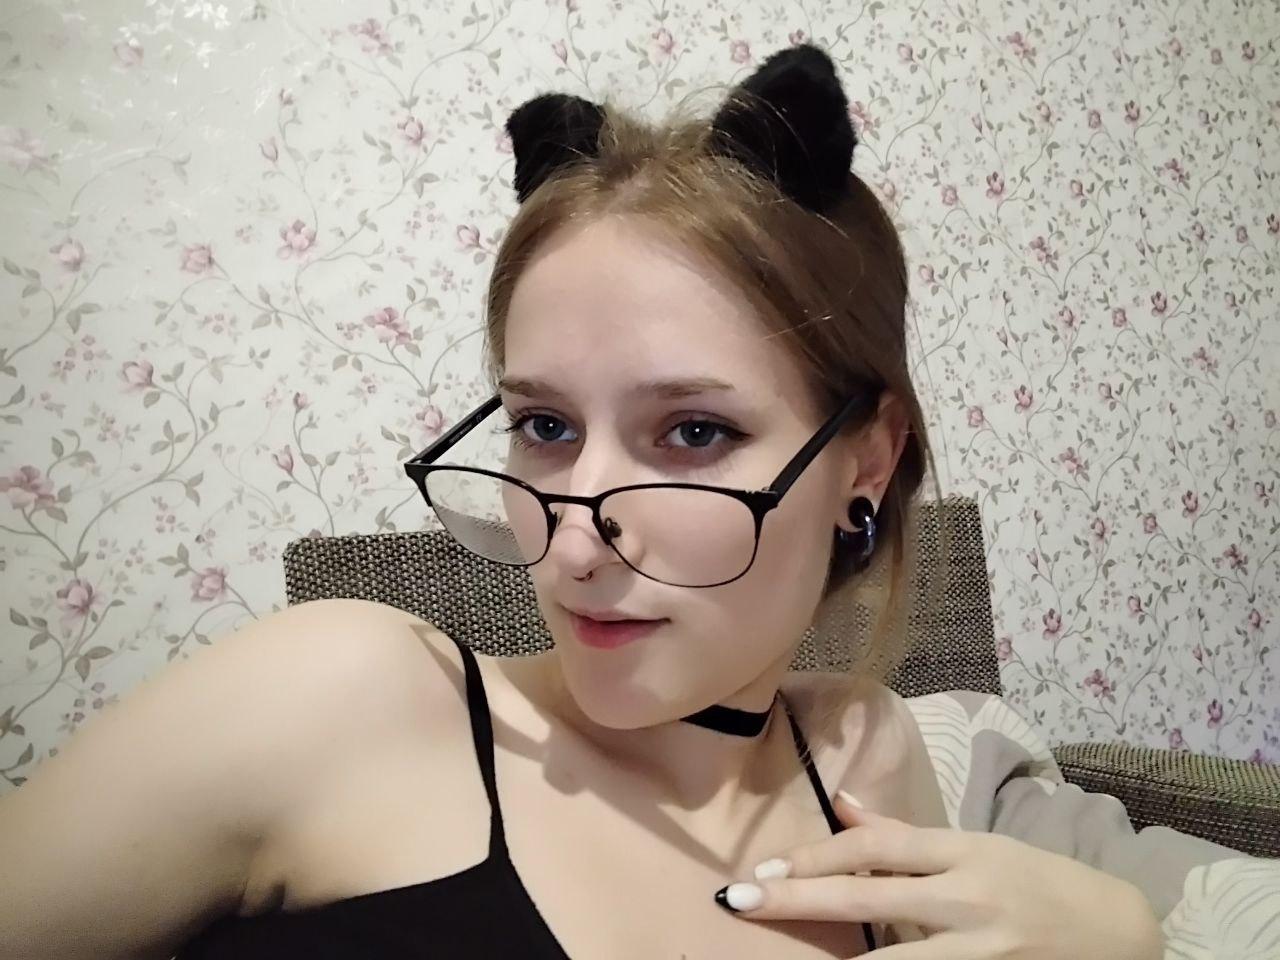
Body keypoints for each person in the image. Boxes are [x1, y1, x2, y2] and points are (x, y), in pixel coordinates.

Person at [1, 43, 1276, 960]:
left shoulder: (866, 755)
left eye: (694, 431)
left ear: (865, 463)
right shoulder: (343, 695)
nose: (570, 533)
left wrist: (1122, 937)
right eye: (544, 426)